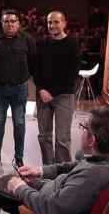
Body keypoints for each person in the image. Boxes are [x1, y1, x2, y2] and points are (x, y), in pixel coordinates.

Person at [0, 106, 109, 214]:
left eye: (83, 127)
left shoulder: (91, 177)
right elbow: (76, 165)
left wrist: (19, 187)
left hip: (42, 202)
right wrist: (41, 171)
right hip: (51, 189)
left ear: (92, 140)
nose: (81, 130)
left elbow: (51, 207)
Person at [0, 9, 36, 167]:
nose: (10, 24)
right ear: (2, 23)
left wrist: (24, 78)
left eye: (13, 21)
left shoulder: (27, 40)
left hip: (19, 89)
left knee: (19, 123)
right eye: (6, 21)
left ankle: (19, 157)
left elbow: (33, 62)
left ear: (18, 23)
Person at [34, 11, 80, 164]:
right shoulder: (42, 43)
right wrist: (41, 89)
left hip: (64, 96)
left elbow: (72, 74)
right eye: (49, 23)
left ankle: (62, 170)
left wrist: (52, 93)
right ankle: (48, 169)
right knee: (44, 136)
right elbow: (36, 69)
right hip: (43, 95)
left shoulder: (72, 44)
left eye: (55, 22)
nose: (52, 25)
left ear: (64, 23)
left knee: (62, 137)